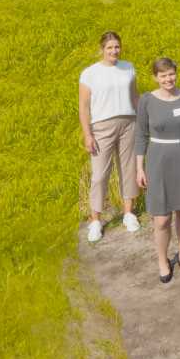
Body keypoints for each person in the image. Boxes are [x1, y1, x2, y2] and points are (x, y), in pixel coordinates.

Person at [136, 57, 180, 283]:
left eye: (171, 74)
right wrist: (139, 168)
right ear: (155, 77)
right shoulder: (147, 100)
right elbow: (141, 135)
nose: (168, 79)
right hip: (157, 160)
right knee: (161, 218)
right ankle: (163, 260)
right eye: (163, 75)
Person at [78, 31, 140, 242]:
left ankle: (128, 213)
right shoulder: (90, 73)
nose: (114, 51)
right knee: (99, 174)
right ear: (102, 49)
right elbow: (84, 107)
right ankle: (95, 220)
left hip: (128, 123)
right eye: (110, 48)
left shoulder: (128, 67)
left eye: (117, 47)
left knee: (128, 168)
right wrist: (88, 134)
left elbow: (134, 96)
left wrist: (142, 121)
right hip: (102, 127)